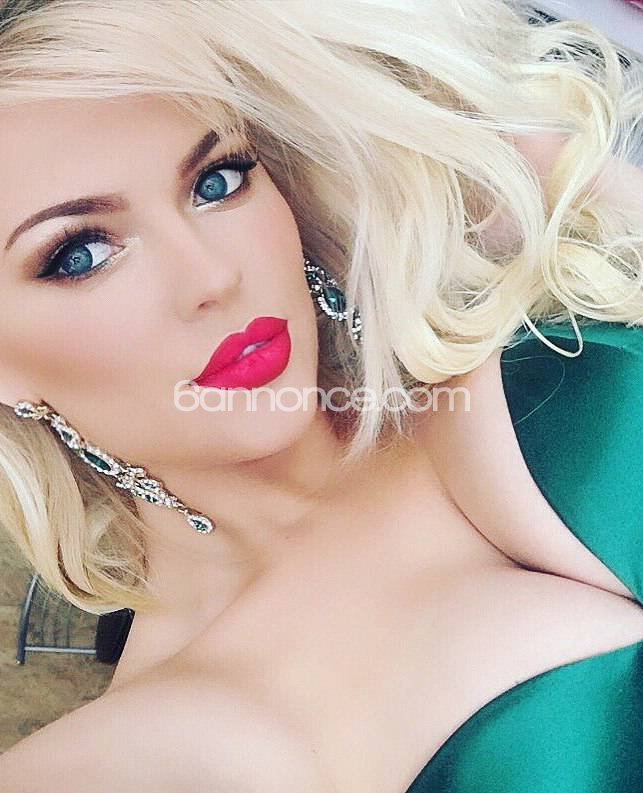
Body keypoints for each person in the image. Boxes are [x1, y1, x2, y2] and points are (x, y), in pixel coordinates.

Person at [0, 1, 642, 790]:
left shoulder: (541, 360)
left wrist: (527, 162)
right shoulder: (135, 751)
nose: (212, 275)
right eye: (79, 254)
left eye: (217, 181)